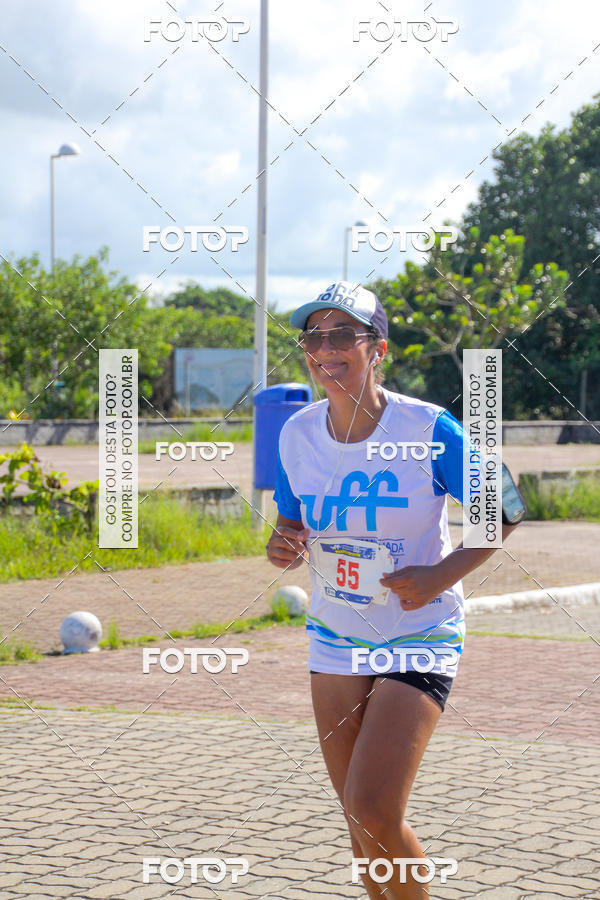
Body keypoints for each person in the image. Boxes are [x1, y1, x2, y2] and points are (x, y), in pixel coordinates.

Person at [266, 281, 519, 899]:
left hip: (419, 634)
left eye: (342, 334)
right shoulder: (296, 433)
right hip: (334, 637)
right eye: (313, 336)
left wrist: (440, 575)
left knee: (375, 808)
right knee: (359, 821)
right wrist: (283, 543)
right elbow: (291, 522)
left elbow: (505, 508)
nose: (326, 347)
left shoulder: (426, 426)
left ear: (377, 349)